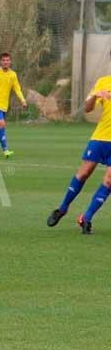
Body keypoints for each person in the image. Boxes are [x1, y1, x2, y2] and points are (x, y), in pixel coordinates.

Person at [47, 75, 111, 234]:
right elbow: (88, 108)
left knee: (109, 181)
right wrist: (96, 95)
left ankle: (86, 218)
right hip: (100, 138)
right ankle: (62, 209)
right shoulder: (104, 82)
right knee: (83, 173)